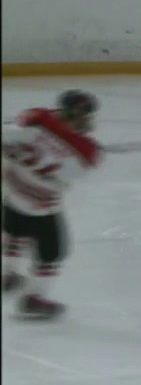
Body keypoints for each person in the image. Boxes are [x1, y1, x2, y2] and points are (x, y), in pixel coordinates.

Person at [2, 90, 101, 318]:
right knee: (52, 254)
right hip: (41, 209)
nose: (88, 119)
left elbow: (11, 137)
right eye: (86, 114)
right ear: (77, 114)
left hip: (12, 196)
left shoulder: (34, 117)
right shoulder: (85, 151)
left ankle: (8, 276)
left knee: (14, 235)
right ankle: (34, 300)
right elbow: (70, 176)